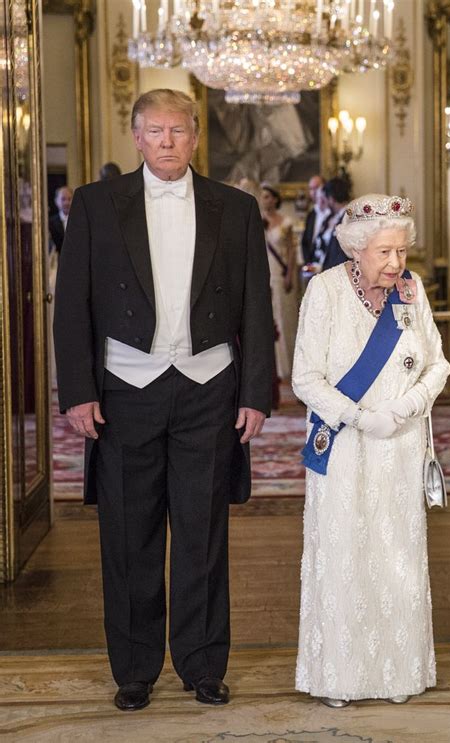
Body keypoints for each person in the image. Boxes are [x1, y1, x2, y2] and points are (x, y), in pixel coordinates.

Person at [53, 88, 274, 712]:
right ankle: (134, 669)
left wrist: (256, 391)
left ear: (196, 136)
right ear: (136, 136)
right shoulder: (96, 205)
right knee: (128, 535)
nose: (168, 142)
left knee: (202, 535)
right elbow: (72, 306)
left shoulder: (236, 208)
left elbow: (257, 306)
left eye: (178, 131)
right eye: (155, 131)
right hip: (126, 390)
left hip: (210, 388)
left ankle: (204, 665)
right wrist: (77, 391)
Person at [292, 193, 450, 707]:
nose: (396, 263)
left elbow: (438, 366)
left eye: (402, 251)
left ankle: (396, 674)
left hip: (399, 447)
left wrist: (401, 412)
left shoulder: (412, 291)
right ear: (356, 249)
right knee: (343, 558)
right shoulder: (324, 292)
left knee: (397, 558)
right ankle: (339, 677)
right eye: (384, 252)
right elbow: (305, 378)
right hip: (344, 448)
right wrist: (362, 418)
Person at [261, 183, 299, 380]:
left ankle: (287, 367)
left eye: (268, 196)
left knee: (284, 319)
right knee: (266, 320)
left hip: (281, 274)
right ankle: (270, 367)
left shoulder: (286, 222)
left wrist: (289, 274)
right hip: (263, 276)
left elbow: (292, 250)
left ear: (275, 199)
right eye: (263, 196)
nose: (264, 199)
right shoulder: (256, 220)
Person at [320, 177, 350, 271]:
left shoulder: (348, 218)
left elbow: (343, 253)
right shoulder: (332, 217)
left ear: (331, 199)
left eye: (326, 199)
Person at [300, 175, 329, 264]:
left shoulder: (332, 213)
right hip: (312, 263)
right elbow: (305, 241)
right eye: (311, 189)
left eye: (316, 188)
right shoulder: (311, 214)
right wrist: (308, 262)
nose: (313, 192)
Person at [49, 185, 73, 254]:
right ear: (56, 201)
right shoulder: (50, 223)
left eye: (69, 199)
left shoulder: (80, 221)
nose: (66, 203)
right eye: (63, 199)